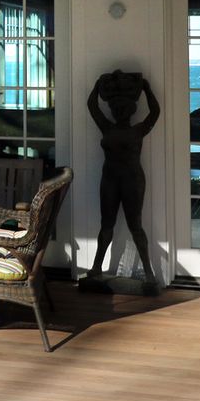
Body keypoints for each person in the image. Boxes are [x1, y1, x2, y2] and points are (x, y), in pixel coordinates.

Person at [82, 70, 162, 292]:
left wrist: (146, 88)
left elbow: (155, 112)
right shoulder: (107, 127)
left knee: (135, 225)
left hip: (132, 180)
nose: (118, 112)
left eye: (122, 109)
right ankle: (97, 266)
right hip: (109, 179)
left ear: (130, 111)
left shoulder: (138, 130)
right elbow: (92, 106)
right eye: (116, 109)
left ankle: (148, 272)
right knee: (106, 225)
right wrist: (97, 85)